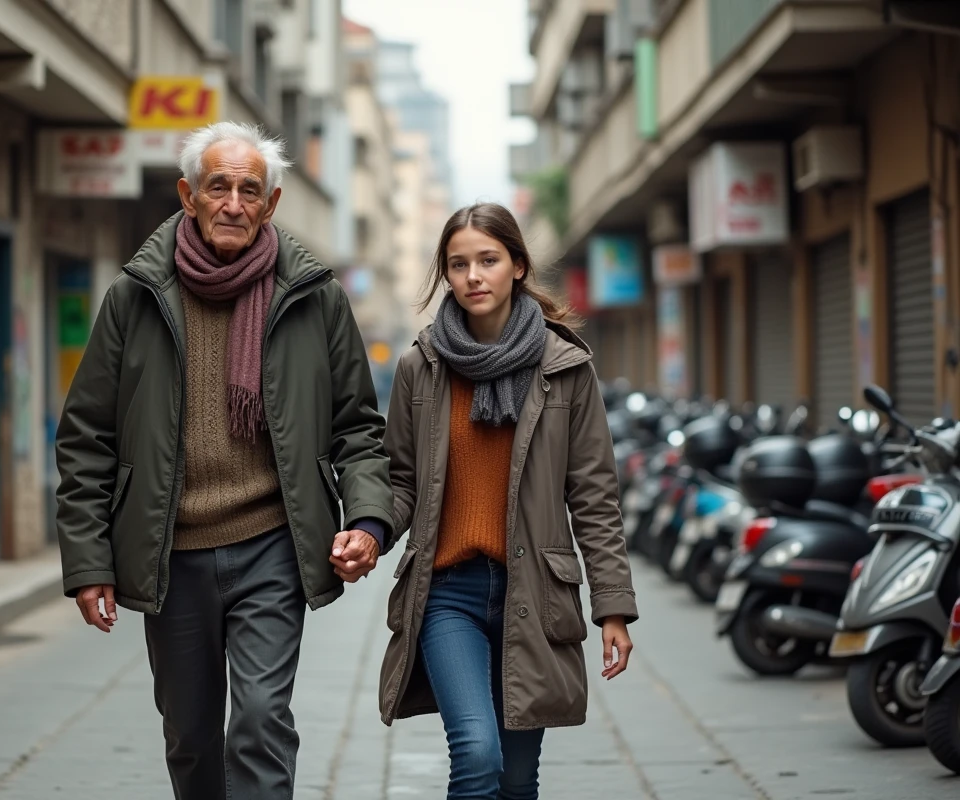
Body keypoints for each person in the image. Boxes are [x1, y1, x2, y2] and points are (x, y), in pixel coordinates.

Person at [55, 121, 394, 800]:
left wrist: (368, 519)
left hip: (271, 544)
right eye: (219, 187)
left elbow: (358, 426)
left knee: (263, 720)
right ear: (189, 195)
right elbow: (88, 435)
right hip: (171, 551)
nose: (234, 203)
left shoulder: (314, 296)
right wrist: (89, 561)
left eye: (250, 189)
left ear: (270, 205)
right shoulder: (136, 296)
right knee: (190, 734)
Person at [378, 203, 638, 799]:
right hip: (448, 594)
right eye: (458, 263)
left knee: (519, 779)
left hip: (537, 594)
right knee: (476, 752)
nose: (473, 276)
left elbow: (594, 497)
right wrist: (369, 531)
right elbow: (400, 481)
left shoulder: (566, 367)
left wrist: (613, 607)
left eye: (488, 260)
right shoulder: (424, 366)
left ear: (517, 266)